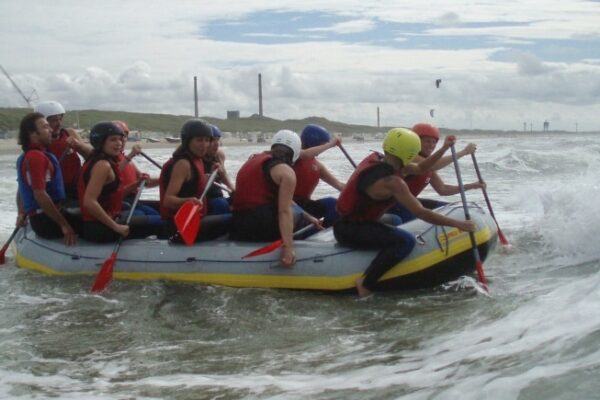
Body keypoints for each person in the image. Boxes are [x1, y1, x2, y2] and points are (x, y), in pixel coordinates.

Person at [334, 127, 476, 297]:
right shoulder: (394, 182)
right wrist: (459, 224)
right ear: (409, 152)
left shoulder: (380, 160)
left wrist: (444, 148)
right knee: (405, 241)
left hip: (350, 222)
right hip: (350, 230)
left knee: (394, 221)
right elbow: (421, 212)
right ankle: (365, 282)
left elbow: (422, 168)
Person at [230, 130, 321, 267]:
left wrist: (310, 217)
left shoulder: (254, 160)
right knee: (296, 217)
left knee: (301, 215)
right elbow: (284, 211)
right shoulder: (287, 172)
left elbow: (285, 199)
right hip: (261, 227)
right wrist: (288, 248)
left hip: (238, 226)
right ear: (295, 153)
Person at [78, 122, 157, 243]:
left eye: (120, 139)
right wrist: (117, 227)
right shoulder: (102, 165)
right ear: (100, 142)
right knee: (161, 222)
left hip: (107, 221)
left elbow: (113, 196)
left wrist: (136, 184)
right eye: (113, 140)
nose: (119, 143)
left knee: (155, 217)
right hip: (101, 228)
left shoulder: (100, 161)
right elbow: (89, 202)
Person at [391, 123, 485, 223]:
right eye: (427, 141)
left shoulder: (428, 163)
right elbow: (432, 166)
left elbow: (443, 189)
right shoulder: (409, 157)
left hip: (410, 203)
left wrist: (472, 186)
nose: (431, 145)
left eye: (434, 142)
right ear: (416, 142)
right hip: (393, 204)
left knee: (452, 210)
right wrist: (464, 152)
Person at [159, 119, 229, 242]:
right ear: (188, 141)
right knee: (235, 219)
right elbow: (168, 200)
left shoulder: (198, 160)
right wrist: (188, 201)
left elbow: (192, 185)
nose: (204, 145)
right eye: (199, 140)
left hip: (196, 219)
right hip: (180, 226)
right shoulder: (183, 164)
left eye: (207, 140)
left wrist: (210, 175)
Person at [15, 112, 79, 246]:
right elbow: (39, 194)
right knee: (97, 223)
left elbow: (22, 188)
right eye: (45, 127)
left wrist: (21, 212)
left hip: (43, 218)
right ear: (33, 134)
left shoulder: (31, 155)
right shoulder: (35, 157)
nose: (50, 129)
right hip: (46, 222)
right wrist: (64, 225)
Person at [33, 101, 93, 203]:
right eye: (54, 120)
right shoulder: (38, 142)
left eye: (60, 119)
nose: (59, 123)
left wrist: (80, 146)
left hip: (76, 187)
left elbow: (91, 156)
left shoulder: (68, 133)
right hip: (54, 191)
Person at [293, 124, 345, 227]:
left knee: (333, 203)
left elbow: (339, 185)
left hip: (305, 205)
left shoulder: (317, 166)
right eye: (322, 145)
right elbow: (306, 154)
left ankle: (322, 230)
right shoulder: (293, 156)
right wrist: (330, 144)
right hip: (288, 205)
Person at [112, 120, 161, 218]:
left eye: (124, 136)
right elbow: (114, 194)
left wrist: (165, 177)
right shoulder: (106, 162)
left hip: (133, 203)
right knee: (155, 218)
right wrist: (131, 155)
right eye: (115, 138)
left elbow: (145, 182)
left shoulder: (127, 161)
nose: (121, 140)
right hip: (121, 205)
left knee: (158, 214)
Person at [202, 124, 235, 215]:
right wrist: (210, 175)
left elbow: (224, 176)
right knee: (220, 204)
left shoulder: (219, 155)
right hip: (203, 200)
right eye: (212, 140)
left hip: (218, 197)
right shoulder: (195, 159)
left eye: (218, 139)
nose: (216, 144)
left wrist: (233, 189)